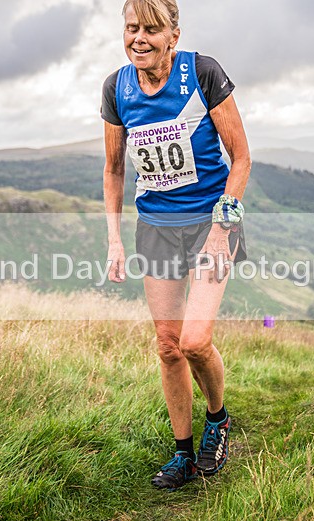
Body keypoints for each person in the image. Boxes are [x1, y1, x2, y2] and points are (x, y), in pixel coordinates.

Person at [101, 0, 251, 490]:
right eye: (130, 29)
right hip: (157, 228)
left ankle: (218, 419)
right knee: (168, 348)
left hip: (212, 223)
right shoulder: (117, 88)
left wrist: (219, 230)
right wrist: (114, 241)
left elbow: (242, 157)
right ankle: (183, 453)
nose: (138, 38)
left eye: (150, 29)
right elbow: (114, 169)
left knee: (194, 341)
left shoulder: (202, 74)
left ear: (173, 35)